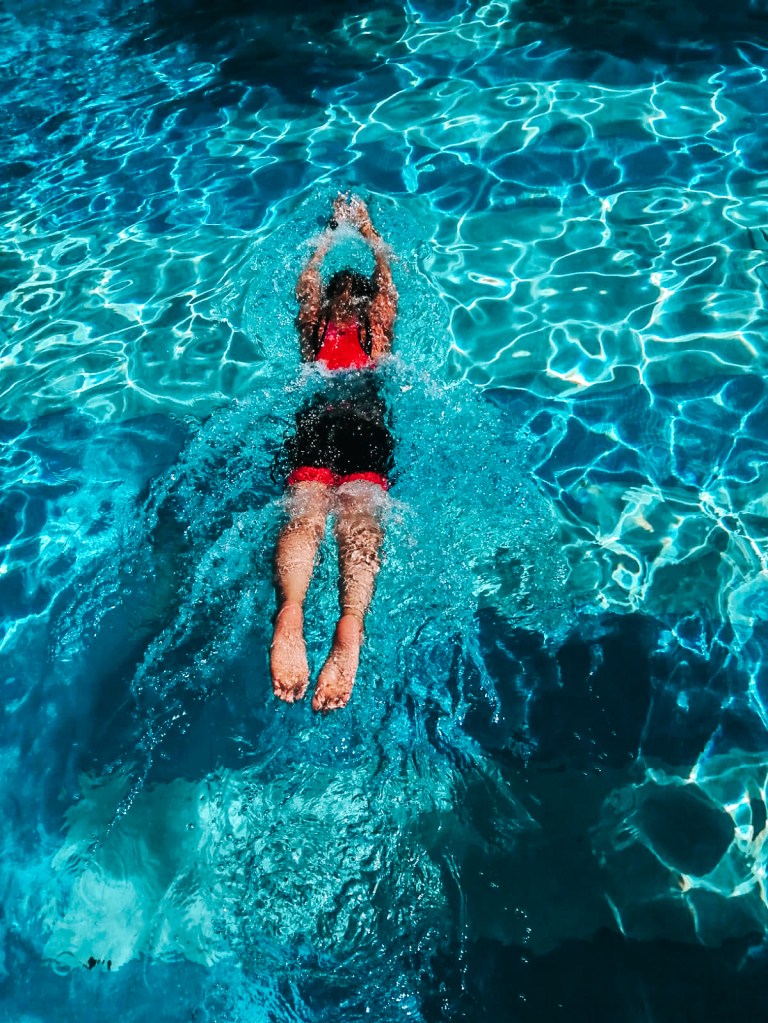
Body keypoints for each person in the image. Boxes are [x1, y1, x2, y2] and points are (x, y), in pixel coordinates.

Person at [270, 195, 398, 712]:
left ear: (325, 300)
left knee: (304, 516)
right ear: (367, 300)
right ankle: (350, 624)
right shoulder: (376, 330)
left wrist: (327, 236)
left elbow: (306, 279)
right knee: (360, 520)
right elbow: (388, 279)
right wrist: (368, 231)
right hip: (366, 422)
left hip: (315, 420)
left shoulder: (313, 330)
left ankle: (291, 610)